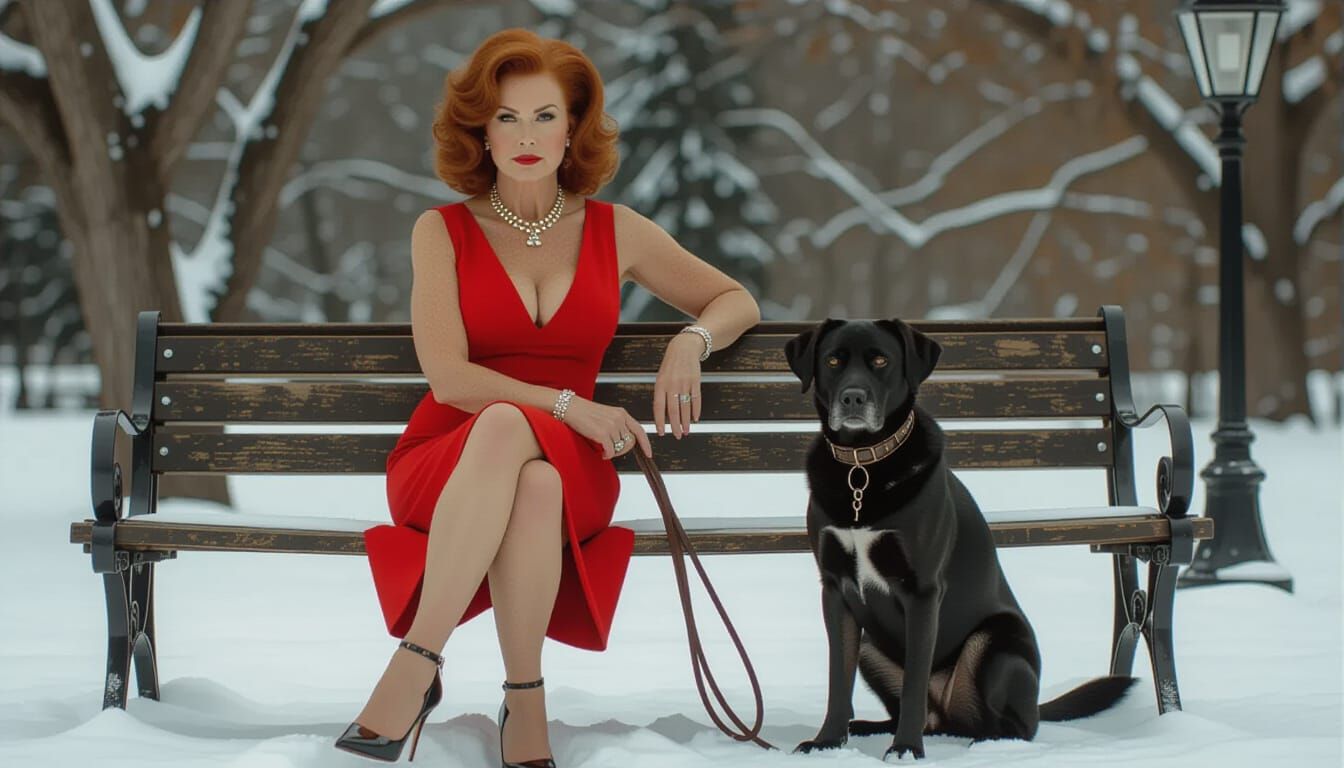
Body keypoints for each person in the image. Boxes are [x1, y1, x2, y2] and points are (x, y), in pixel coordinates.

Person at [335, 28, 762, 767]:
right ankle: (512, 695)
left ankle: (417, 671)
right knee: (508, 437)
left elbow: (734, 298)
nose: (526, 135)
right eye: (506, 117)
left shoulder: (614, 230)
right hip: (447, 458)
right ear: (481, 131)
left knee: (537, 476)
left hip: (574, 472)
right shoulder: (440, 232)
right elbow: (450, 379)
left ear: (573, 129)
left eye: (544, 116)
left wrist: (689, 342)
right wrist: (565, 406)